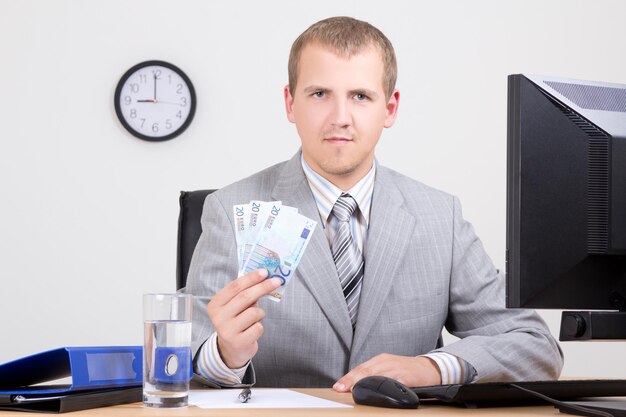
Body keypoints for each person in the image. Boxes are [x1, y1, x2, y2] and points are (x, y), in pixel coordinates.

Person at [185, 16, 563, 391]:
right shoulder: (229, 209)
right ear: (290, 103)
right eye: (319, 94)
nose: (340, 119)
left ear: (390, 108)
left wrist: (432, 368)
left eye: (360, 96)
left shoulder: (440, 218)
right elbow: (183, 358)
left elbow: (534, 345)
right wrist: (224, 355)